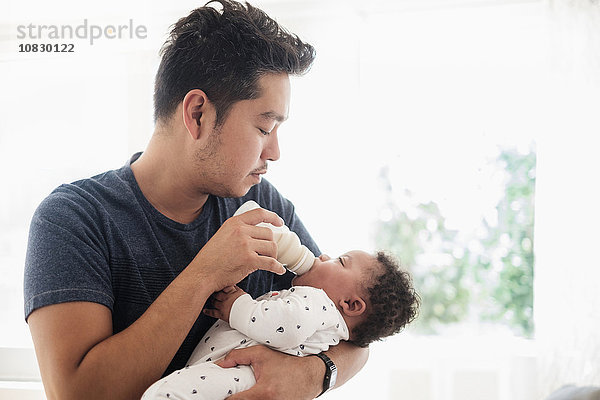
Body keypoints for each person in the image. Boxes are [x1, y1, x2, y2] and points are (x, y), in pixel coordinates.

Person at [23, 1, 369, 399]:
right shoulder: (74, 219)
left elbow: (355, 331)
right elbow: (76, 393)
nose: (274, 152)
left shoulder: (265, 206)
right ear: (199, 113)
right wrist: (206, 272)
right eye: (264, 126)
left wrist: (312, 375)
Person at [142, 248, 419, 400]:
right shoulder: (329, 321)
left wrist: (237, 307)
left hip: (244, 376)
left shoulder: (319, 303)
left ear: (350, 305)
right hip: (233, 374)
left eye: (340, 261)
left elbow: (284, 325)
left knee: (166, 394)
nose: (323, 257)